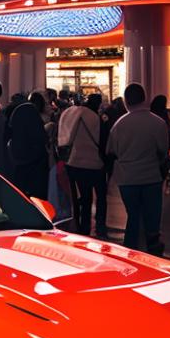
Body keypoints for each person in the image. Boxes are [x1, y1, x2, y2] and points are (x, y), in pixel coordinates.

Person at [106, 83, 169, 254]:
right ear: (145, 98)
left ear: (126, 101)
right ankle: (153, 249)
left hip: (127, 179)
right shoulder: (158, 123)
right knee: (152, 217)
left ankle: (131, 250)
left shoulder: (119, 124)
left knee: (133, 215)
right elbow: (163, 150)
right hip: (151, 177)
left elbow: (112, 151)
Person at [63, 93, 107, 237]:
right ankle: (100, 227)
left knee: (85, 197)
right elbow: (103, 141)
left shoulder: (74, 114)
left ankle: (84, 227)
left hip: (76, 162)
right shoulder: (97, 118)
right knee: (101, 196)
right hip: (96, 164)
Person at [7, 97, 50, 198]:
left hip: (19, 170)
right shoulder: (39, 150)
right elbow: (41, 137)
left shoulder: (13, 146)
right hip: (37, 171)